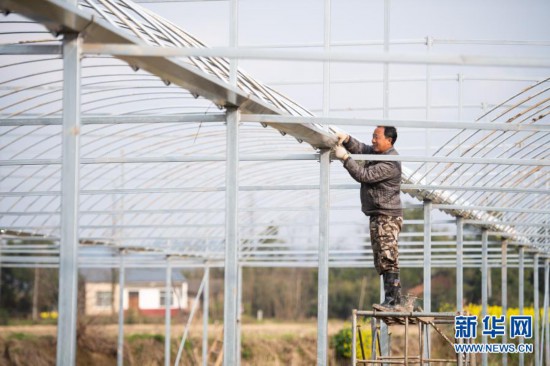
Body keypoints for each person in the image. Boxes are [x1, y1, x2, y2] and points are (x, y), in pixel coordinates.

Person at [333, 126, 403, 308]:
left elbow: (364, 175)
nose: (373, 140)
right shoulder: (379, 153)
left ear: (389, 140)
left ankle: (393, 300)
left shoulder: (390, 163)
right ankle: (393, 299)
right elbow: (363, 149)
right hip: (379, 215)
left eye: (376, 137)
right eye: (373, 136)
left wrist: (345, 158)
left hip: (387, 217)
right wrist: (347, 139)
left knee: (388, 256)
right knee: (382, 257)